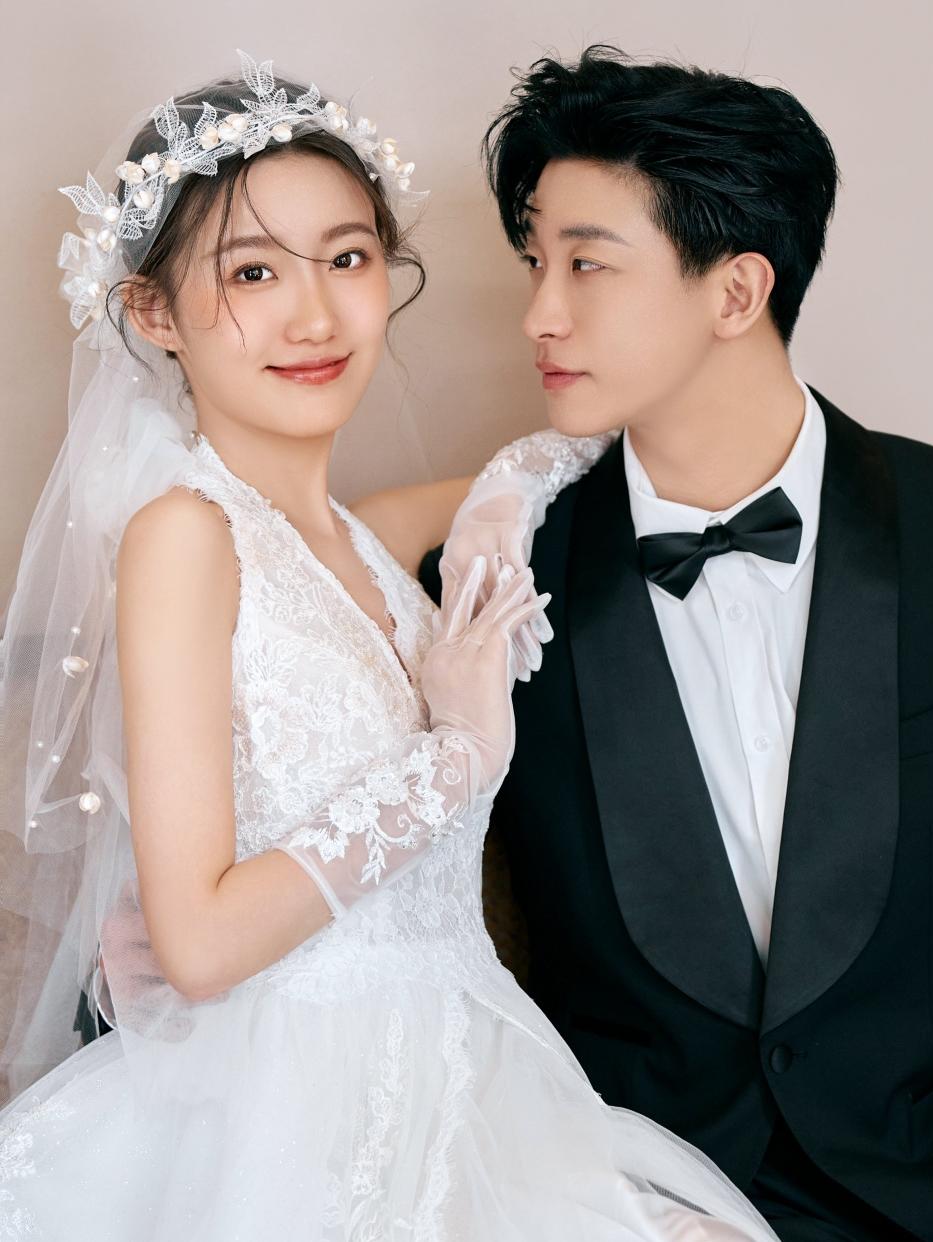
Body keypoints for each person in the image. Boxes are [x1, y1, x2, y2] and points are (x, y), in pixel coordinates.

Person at [415, 46, 933, 1241]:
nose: (539, 313)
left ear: (736, 292)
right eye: (535, 261)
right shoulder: (492, 580)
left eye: (586, 263)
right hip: (669, 1194)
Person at [0, 51, 779, 1240]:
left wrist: (512, 485)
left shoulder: (371, 533)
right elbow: (198, 944)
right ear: (154, 313)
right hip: (289, 1106)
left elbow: (611, 446)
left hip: (477, 1070)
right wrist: (456, 759)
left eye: (349, 259)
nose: (316, 316)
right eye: (252, 271)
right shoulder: (183, 538)